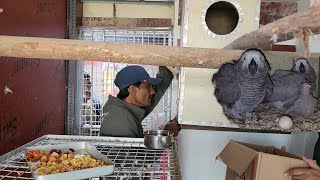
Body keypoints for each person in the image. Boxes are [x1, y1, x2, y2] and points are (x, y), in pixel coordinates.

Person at [99, 65, 180, 138]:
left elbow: (156, 92)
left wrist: (167, 66)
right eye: (147, 86)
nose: (152, 91)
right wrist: (165, 134)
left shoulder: (126, 109)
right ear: (133, 89)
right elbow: (136, 153)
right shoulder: (122, 120)